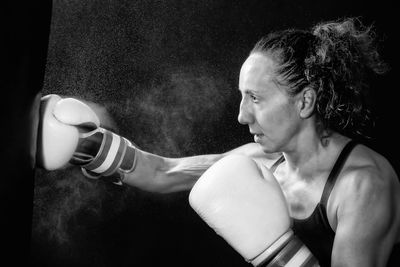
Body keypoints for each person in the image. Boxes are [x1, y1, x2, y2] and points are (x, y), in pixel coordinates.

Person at [37, 17, 400, 267]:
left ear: (305, 101)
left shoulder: (363, 185)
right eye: (242, 97)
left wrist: (279, 253)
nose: (242, 116)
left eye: (255, 98)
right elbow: (163, 171)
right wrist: (85, 145)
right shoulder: (259, 160)